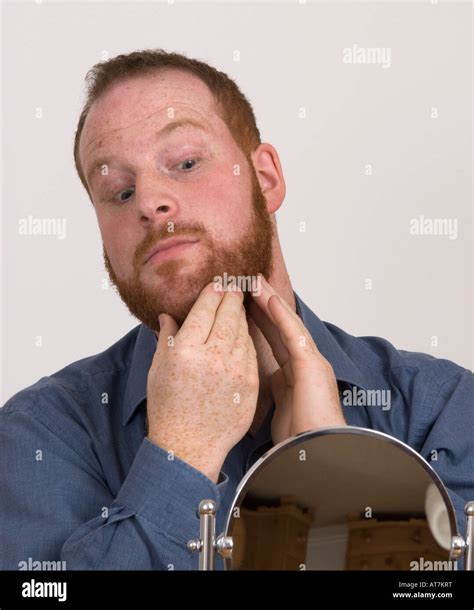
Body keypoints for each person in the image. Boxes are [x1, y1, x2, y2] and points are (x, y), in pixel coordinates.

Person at [1, 49, 472, 570]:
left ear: (265, 179)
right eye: (118, 190)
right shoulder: (37, 436)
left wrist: (333, 472)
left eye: (184, 163)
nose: (148, 202)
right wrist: (181, 455)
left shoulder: (444, 412)